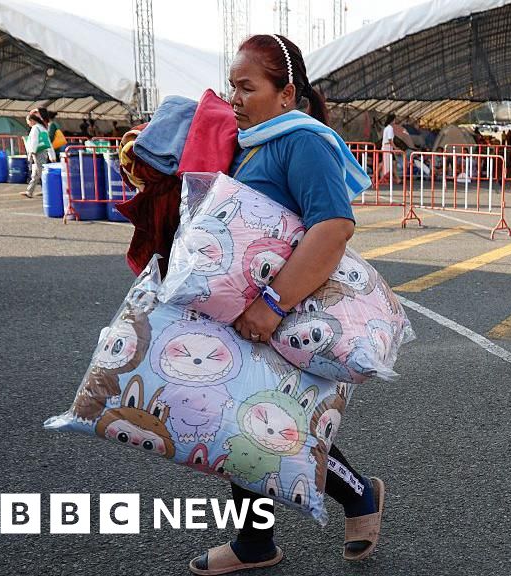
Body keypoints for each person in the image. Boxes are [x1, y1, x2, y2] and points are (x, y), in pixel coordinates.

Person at [189, 34, 385, 575]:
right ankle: (256, 542)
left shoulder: (303, 142)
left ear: (286, 93)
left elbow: (333, 227)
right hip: (239, 310)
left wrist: (273, 304)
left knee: (275, 423)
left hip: (279, 313)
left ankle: (359, 495)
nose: (234, 97)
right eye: (232, 85)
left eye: (247, 87)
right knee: (239, 422)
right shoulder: (249, 139)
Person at [23, 110, 56, 198]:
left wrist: (32, 152)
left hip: (37, 152)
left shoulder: (35, 128)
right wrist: (52, 155)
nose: (28, 124)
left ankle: (47, 190)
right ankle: (30, 191)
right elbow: (48, 142)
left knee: (39, 173)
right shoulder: (43, 128)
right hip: (43, 152)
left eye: (28, 122)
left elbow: (34, 140)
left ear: (32, 121)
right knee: (37, 172)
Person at [380, 113, 400, 185]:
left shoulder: (387, 128)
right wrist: (395, 148)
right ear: (393, 120)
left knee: (392, 163)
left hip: (386, 147)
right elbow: (390, 140)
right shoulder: (390, 128)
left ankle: (396, 178)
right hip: (388, 147)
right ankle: (382, 178)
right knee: (385, 164)